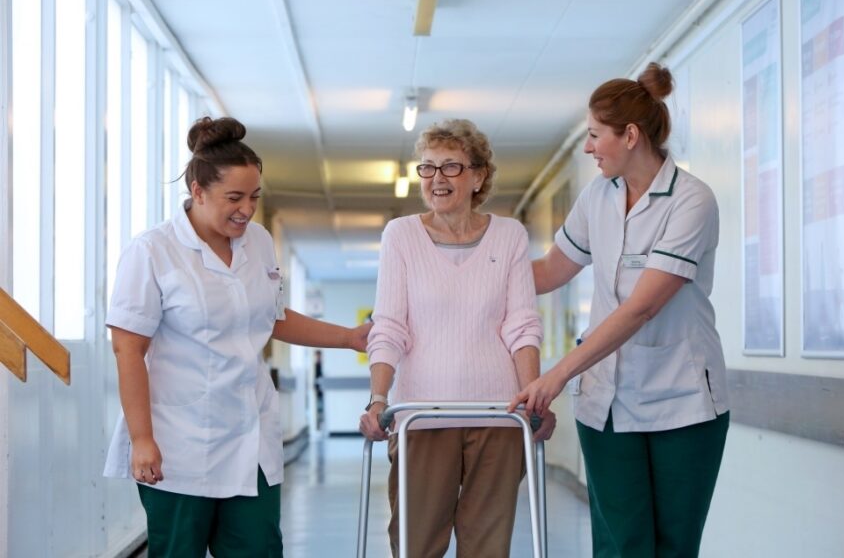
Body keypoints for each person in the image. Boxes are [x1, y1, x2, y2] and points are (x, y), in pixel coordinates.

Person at [103, 116, 370, 557]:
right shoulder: (152, 251)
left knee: (259, 549)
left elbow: (273, 317)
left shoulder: (259, 242)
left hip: (251, 437)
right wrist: (142, 438)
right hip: (179, 441)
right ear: (198, 190)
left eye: (254, 197)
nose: (246, 209)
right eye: (234, 197)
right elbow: (127, 348)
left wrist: (350, 338)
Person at [510, 63, 729, 558]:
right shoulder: (597, 196)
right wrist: (477, 270)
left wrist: (557, 374)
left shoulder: (692, 201)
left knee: (673, 547)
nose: (587, 148)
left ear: (629, 135)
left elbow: (641, 308)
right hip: (605, 404)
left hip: (684, 402)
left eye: (593, 135)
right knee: (619, 545)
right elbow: (548, 271)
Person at [359, 118, 555, 558]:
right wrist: (377, 398)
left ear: (478, 175)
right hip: (422, 417)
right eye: (427, 168)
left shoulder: (509, 236)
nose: (437, 179)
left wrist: (533, 398)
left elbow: (521, 325)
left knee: (487, 547)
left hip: (499, 416)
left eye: (450, 167)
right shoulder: (402, 236)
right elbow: (390, 325)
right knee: (416, 545)